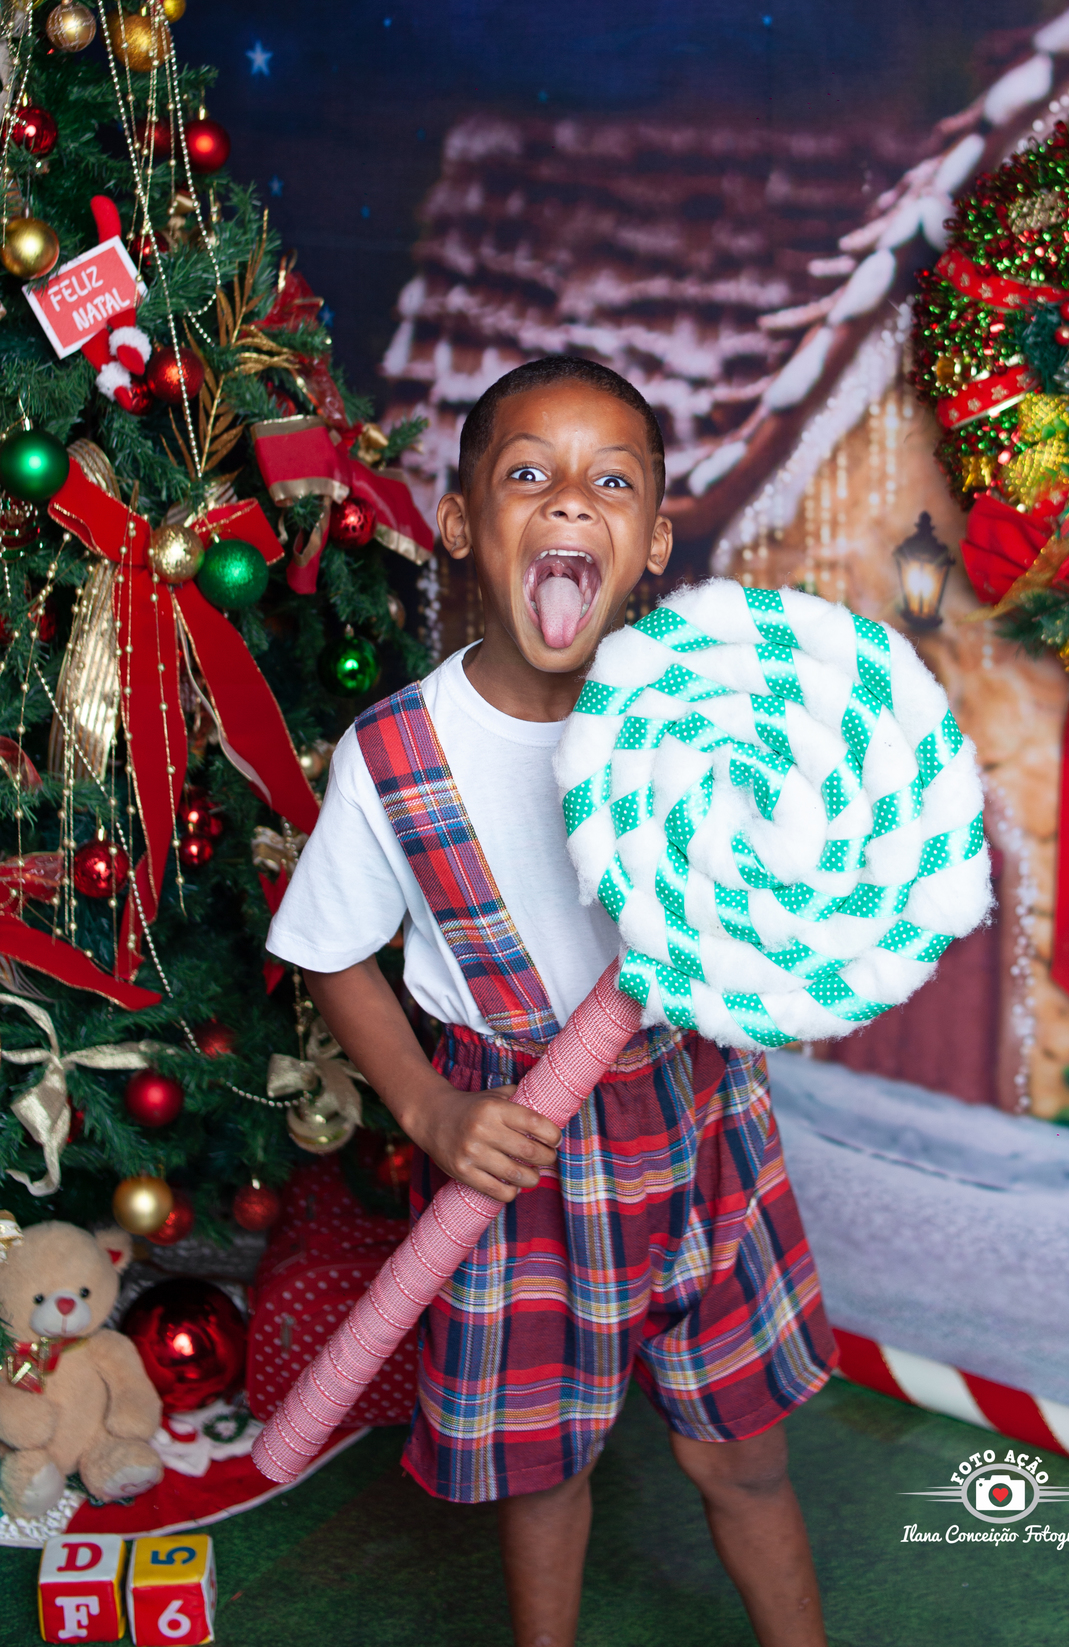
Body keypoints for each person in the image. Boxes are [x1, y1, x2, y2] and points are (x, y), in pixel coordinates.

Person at [266, 356, 836, 1647]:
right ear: (463, 524)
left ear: (650, 543)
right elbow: (328, 952)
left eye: (611, 481)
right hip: (516, 1160)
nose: (571, 500)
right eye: (529, 474)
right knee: (546, 1470)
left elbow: (768, 900)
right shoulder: (394, 757)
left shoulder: (695, 719)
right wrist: (423, 1106)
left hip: (699, 1132)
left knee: (740, 1456)